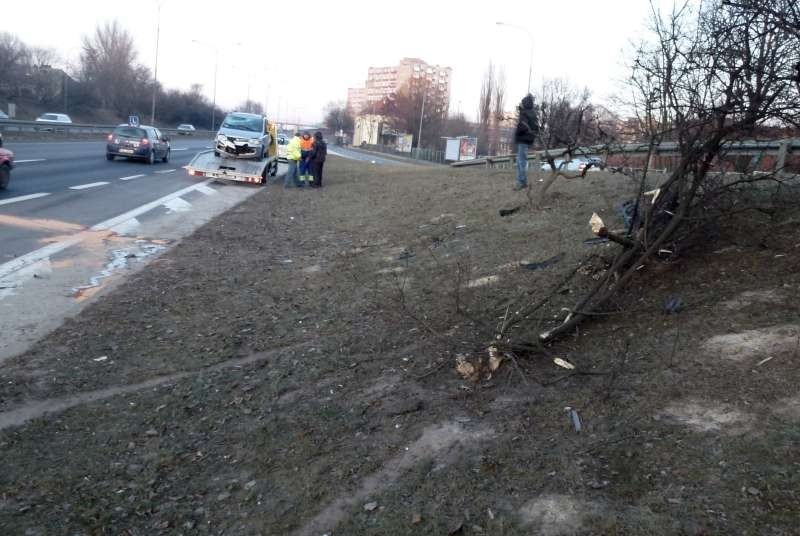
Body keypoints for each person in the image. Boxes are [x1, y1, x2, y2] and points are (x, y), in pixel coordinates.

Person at [513, 94, 539, 190]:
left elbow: (523, 126)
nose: (522, 104)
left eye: (522, 103)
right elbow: (535, 127)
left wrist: (518, 132)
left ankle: (522, 182)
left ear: (525, 103)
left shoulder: (525, 113)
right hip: (528, 139)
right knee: (521, 161)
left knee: (521, 161)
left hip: (523, 139)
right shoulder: (532, 113)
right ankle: (522, 181)